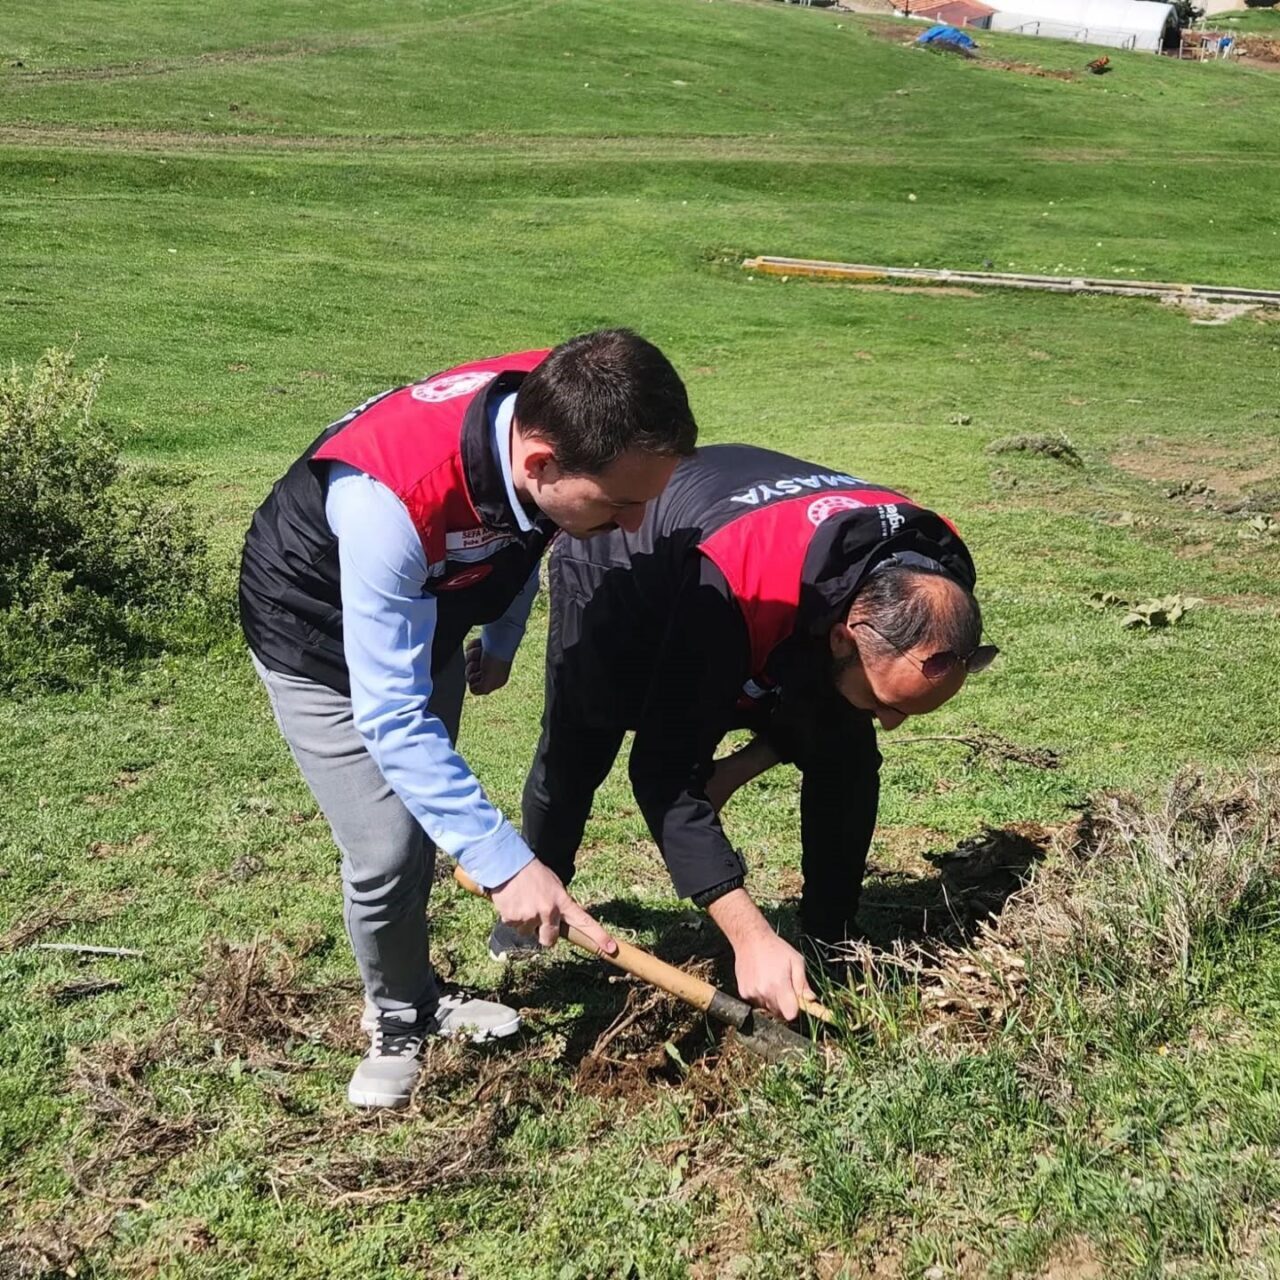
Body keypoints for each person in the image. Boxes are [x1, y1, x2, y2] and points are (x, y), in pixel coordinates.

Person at [239, 330, 697, 1107]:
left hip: (430, 606)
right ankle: (397, 1017)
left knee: (425, 823)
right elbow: (391, 714)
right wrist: (507, 864)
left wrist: (502, 634)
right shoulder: (390, 501)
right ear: (540, 462)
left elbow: (529, 526)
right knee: (387, 848)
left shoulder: (561, 412)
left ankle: (417, 988)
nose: (633, 526)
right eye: (622, 505)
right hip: (314, 633)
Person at [509, 444, 995, 1021]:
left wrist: (740, 767)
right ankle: (533, 898)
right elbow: (664, 775)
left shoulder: (934, 571)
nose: (892, 724)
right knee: (581, 740)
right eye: (888, 705)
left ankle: (832, 934)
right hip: (626, 558)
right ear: (842, 636)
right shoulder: (732, 588)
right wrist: (751, 936)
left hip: (766, 565)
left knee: (846, 749)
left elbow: (812, 698)